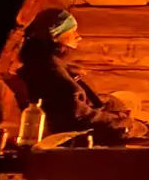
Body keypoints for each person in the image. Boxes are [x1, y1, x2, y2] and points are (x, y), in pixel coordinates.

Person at [16, 9, 135, 146]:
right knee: (136, 128)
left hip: (82, 123)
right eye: (72, 32)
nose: (78, 37)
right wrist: (115, 120)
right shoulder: (51, 68)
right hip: (72, 136)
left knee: (127, 102)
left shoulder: (49, 62)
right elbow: (77, 114)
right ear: (55, 36)